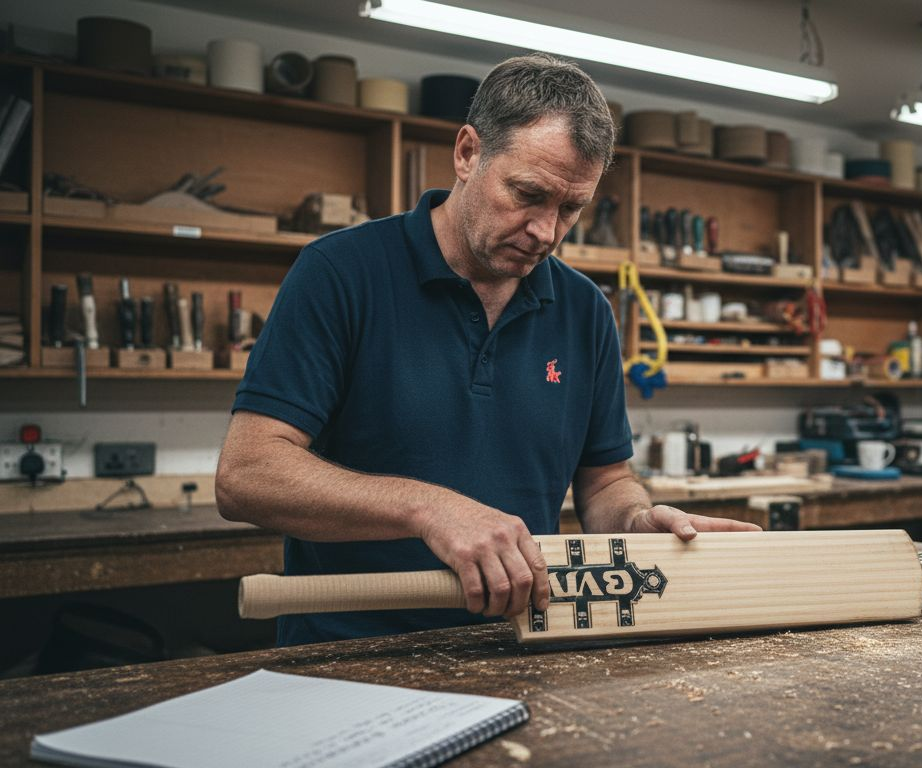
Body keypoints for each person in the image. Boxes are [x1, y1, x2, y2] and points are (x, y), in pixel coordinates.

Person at [216, 53, 759, 646]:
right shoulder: (341, 273)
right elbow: (247, 475)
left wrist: (634, 521)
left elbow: (605, 482)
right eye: (528, 194)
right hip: (352, 649)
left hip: (522, 643)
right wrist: (429, 509)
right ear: (468, 153)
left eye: (571, 209)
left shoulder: (585, 311)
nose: (546, 232)